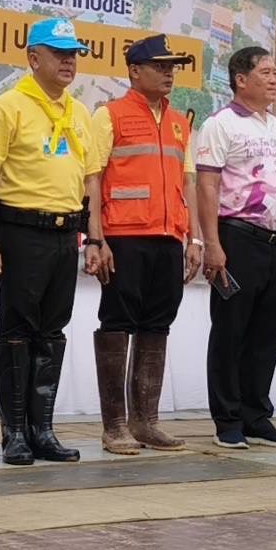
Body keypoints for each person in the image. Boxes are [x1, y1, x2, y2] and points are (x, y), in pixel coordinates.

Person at [0, 17, 97, 465]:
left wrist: (94, 235)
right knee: (17, 330)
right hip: (20, 230)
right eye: (59, 53)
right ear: (33, 58)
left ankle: (42, 429)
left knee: (53, 330)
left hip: (66, 232)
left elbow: (89, 178)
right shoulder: (8, 106)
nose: (68, 62)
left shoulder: (79, 111)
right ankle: (14, 433)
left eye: (73, 55)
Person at [87, 35, 201, 456]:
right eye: (160, 66)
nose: (169, 73)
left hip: (169, 238)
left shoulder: (179, 122)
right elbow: (93, 177)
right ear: (135, 71)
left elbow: (187, 181)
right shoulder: (110, 116)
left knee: (157, 324)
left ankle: (146, 421)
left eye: (173, 66)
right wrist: (96, 237)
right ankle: (114, 425)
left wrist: (195, 239)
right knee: (117, 321)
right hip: (124, 236)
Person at [198, 46, 276, 450]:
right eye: (265, 72)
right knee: (231, 330)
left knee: (267, 332)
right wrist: (212, 243)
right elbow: (207, 185)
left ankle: (258, 415)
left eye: (275, 72)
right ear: (241, 79)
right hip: (237, 235)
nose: (273, 79)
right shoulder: (220, 124)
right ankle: (228, 419)